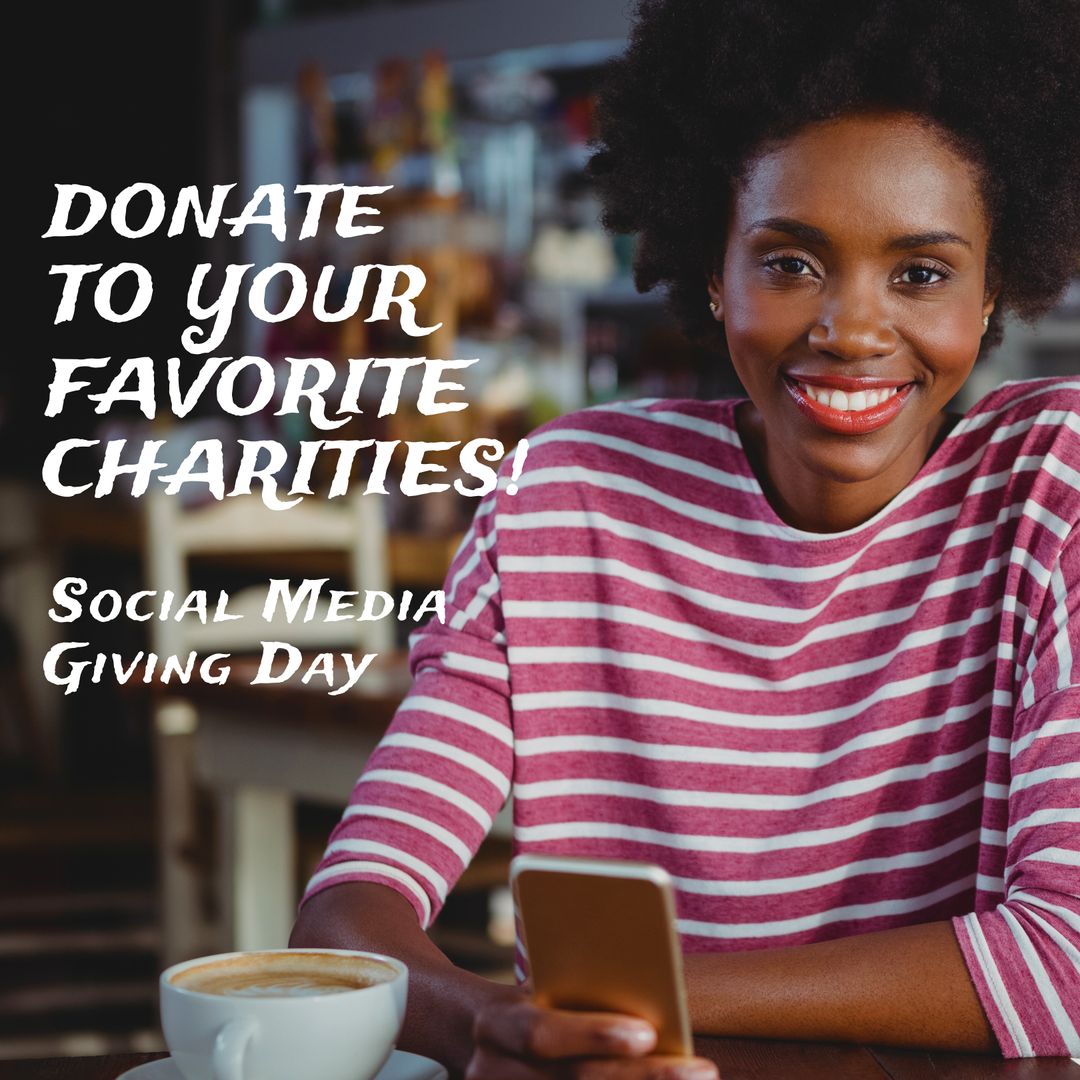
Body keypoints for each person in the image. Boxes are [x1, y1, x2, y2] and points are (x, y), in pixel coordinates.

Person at [291, 1, 1080, 1075]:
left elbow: (1064, 963)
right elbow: (351, 909)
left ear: (994, 291)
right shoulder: (565, 500)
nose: (851, 330)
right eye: (790, 262)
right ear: (715, 269)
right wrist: (488, 1028)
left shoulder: (1052, 493)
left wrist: (606, 1008)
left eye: (922, 273)